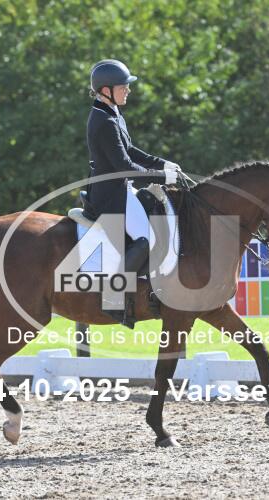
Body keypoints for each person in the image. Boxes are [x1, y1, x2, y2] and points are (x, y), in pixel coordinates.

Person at [85, 59, 179, 325]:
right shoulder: (103, 120)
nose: (128, 90)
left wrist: (162, 163)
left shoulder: (113, 113)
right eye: (123, 86)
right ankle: (113, 296)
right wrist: (161, 177)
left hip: (120, 189)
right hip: (109, 195)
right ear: (106, 90)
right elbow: (124, 166)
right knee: (146, 238)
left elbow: (130, 152)